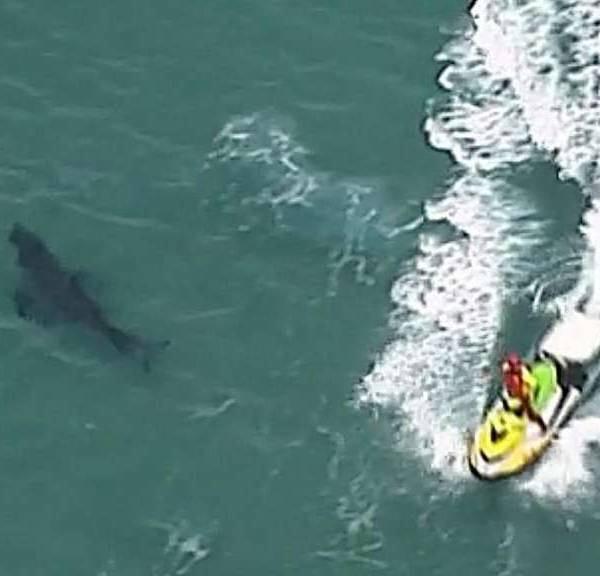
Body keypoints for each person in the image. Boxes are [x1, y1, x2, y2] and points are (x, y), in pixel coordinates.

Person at [501, 352, 549, 432]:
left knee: (531, 414)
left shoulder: (522, 373)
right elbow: (533, 383)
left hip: (522, 396)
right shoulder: (514, 372)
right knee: (515, 413)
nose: (516, 367)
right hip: (515, 395)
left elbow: (533, 383)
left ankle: (544, 428)